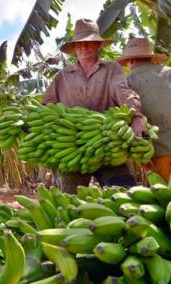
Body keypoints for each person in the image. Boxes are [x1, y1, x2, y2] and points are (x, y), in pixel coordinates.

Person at [42, 19, 145, 193]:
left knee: (124, 194)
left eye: (90, 43)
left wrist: (136, 116)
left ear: (98, 45)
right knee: (68, 201)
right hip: (72, 147)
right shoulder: (62, 76)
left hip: (107, 144)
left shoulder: (112, 69)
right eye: (80, 44)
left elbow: (122, 91)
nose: (84, 47)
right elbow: (46, 105)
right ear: (74, 48)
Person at [117, 38, 171, 182]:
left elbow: (128, 115)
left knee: (165, 198)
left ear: (131, 60)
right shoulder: (169, 73)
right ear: (149, 57)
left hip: (158, 151)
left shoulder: (126, 81)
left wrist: (141, 155)